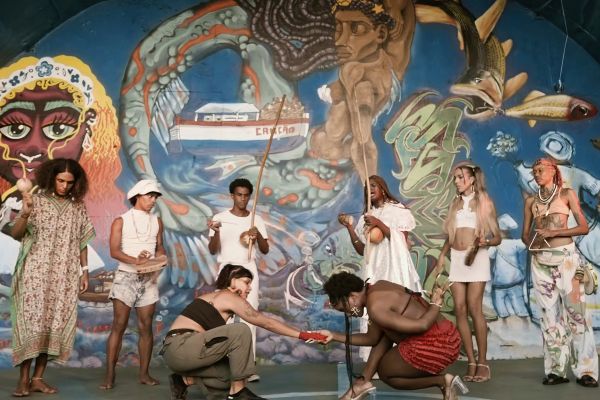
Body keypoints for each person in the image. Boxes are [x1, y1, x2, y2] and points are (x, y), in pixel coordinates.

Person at [161, 264, 324, 400]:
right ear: (232, 280)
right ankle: (238, 393)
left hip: (181, 353)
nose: (250, 288)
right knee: (240, 330)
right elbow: (266, 322)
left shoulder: (217, 299)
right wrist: (303, 334)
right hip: (181, 346)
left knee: (228, 376)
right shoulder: (227, 295)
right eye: (246, 282)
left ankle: (183, 380)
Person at [10, 158, 95, 397]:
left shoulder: (78, 207)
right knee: (32, 323)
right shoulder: (35, 201)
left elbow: (82, 241)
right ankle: (23, 379)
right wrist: (25, 213)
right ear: (51, 178)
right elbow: (16, 234)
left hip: (64, 276)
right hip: (35, 273)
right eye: (60, 180)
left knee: (52, 323)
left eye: (69, 182)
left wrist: (84, 270)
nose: (64, 186)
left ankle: (38, 379)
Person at [319, 271, 467, 400]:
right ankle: (362, 384)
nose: (348, 314)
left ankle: (443, 381)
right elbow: (373, 338)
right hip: (448, 335)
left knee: (386, 372)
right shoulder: (377, 287)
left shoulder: (375, 307)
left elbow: (422, 325)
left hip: (439, 344)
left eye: (344, 309)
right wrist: (333, 335)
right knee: (384, 331)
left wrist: (436, 304)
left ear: (352, 296)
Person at [310, 0, 415, 180]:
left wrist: (370, 186)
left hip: (359, 95)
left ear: (381, 34)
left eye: (357, 29)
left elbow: (363, 146)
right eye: (338, 28)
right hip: (341, 124)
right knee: (325, 142)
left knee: (329, 139)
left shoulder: (360, 79)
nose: (340, 40)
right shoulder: (365, 66)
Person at [521, 157, 598, 387]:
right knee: (549, 317)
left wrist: (554, 234)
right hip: (541, 263)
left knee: (577, 315)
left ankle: (586, 371)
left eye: (540, 170)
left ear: (553, 171)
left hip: (566, 260)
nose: (536, 174)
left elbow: (583, 227)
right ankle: (556, 370)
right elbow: (525, 234)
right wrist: (531, 244)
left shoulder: (566, 194)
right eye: (534, 171)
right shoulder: (531, 201)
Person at [434, 163, 501, 383]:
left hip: (476, 258)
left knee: (474, 308)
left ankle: (483, 362)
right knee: (460, 309)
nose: (456, 181)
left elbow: (497, 237)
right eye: (455, 177)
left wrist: (484, 243)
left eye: (460, 177)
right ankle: (471, 361)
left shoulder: (484, 202)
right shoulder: (455, 203)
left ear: (472, 179)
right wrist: (442, 255)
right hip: (456, 259)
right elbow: (451, 235)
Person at [100, 179, 165, 390]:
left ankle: (144, 374)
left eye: (155, 197)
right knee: (119, 325)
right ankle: (110, 375)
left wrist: (159, 259)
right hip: (126, 277)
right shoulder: (121, 220)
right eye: (149, 196)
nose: (153, 200)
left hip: (149, 278)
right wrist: (136, 261)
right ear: (137, 196)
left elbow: (160, 248)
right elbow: (114, 251)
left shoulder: (157, 221)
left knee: (146, 327)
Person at [208, 178, 268, 380]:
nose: (242, 199)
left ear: (250, 197)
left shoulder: (256, 219)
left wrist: (257, 236)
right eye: (239, 195)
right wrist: (216, 231)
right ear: (232, 196)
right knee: (223, 317)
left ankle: (248, 367)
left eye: (246, 195)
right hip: (226, 269)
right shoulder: (220, 218)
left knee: (250, 315)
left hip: (248, 270)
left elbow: (265, 250)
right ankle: (224, 366)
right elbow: (212, 250)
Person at [339, 175, 421, 290]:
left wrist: (378, 223)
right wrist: (350, 228)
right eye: (367, 188)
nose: (369, 189)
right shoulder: (365, 218)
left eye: (373, 186)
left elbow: (401, 240)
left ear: (382, 190)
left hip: (394, 266)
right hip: (373, 269)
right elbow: (362, 250)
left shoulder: (398, 210)